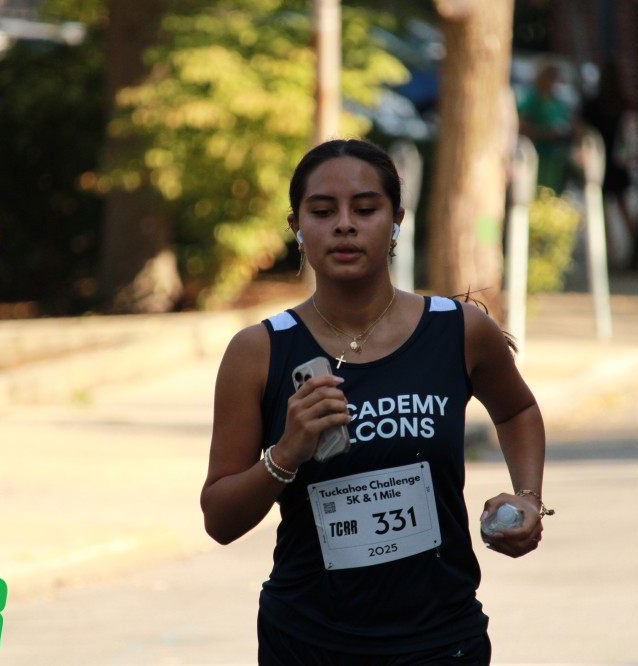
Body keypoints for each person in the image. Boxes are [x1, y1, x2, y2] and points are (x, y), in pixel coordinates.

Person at [201, 139, 550, 664]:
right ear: (297, 226)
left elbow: (517, 410)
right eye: (323, 211)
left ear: (396, 221)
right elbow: (220, 519)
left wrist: (528, 497)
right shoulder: (258, 351)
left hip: (439, 637)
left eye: (365, 209)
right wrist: (287, 453)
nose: (345, 225)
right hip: (308, 641)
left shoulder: (457, 330)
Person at [580, 60, 638, 244]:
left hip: (601, 157)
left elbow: (580, 126)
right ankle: (634, 242)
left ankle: (608, 247)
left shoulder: (594, 103)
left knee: (604, 207)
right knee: (622, 204)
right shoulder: (623, 102)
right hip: (619, 158)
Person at [518, 61, 575, 193]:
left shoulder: (558, 102)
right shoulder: (532, 100)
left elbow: (568, 123)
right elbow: (522, 127)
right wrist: (544, 133)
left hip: (554, 160)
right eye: (550, 77)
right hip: (536, 156)